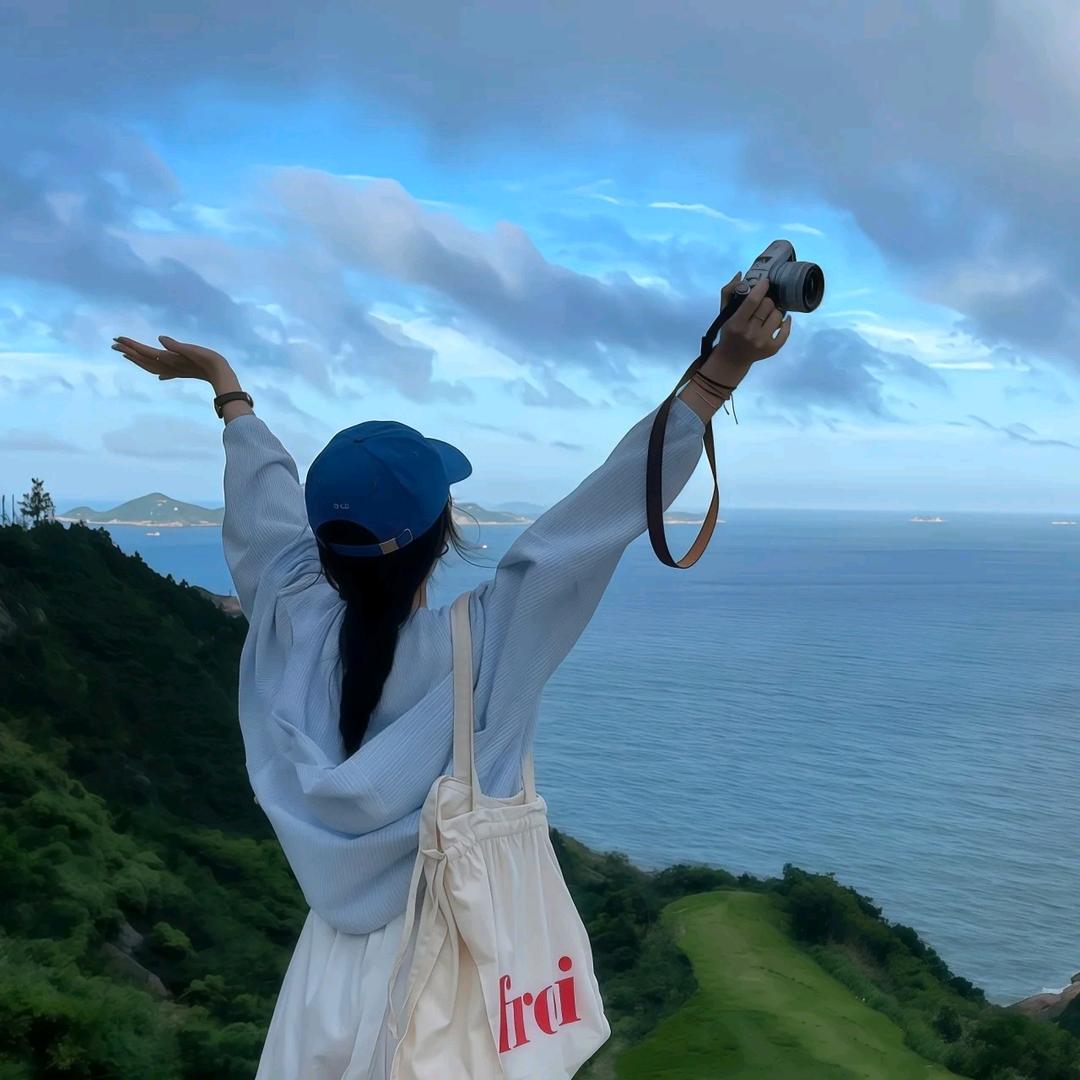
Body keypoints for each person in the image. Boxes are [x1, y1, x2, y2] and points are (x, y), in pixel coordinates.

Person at [110, 272, 791, 1078]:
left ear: (322, 544)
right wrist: (719, 376)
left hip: (324, 975)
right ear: (443, 533)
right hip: (456, 966)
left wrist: (229, 393)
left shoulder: (284, 612)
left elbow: (263, 505)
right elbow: (584, 529)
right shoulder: (480, 651)